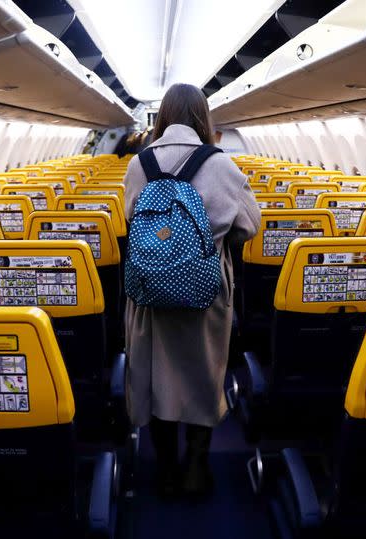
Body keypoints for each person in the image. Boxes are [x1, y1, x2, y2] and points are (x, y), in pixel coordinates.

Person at [123, 83, 261, 498]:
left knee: (157, 375)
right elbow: (250, 226)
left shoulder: (139, 164)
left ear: (163, 117)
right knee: (203, 373)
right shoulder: (221, 165)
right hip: (206, 293)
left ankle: (165, 469)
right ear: (203, 117)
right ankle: (196, 468)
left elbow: (132, 221)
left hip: (149, 293)